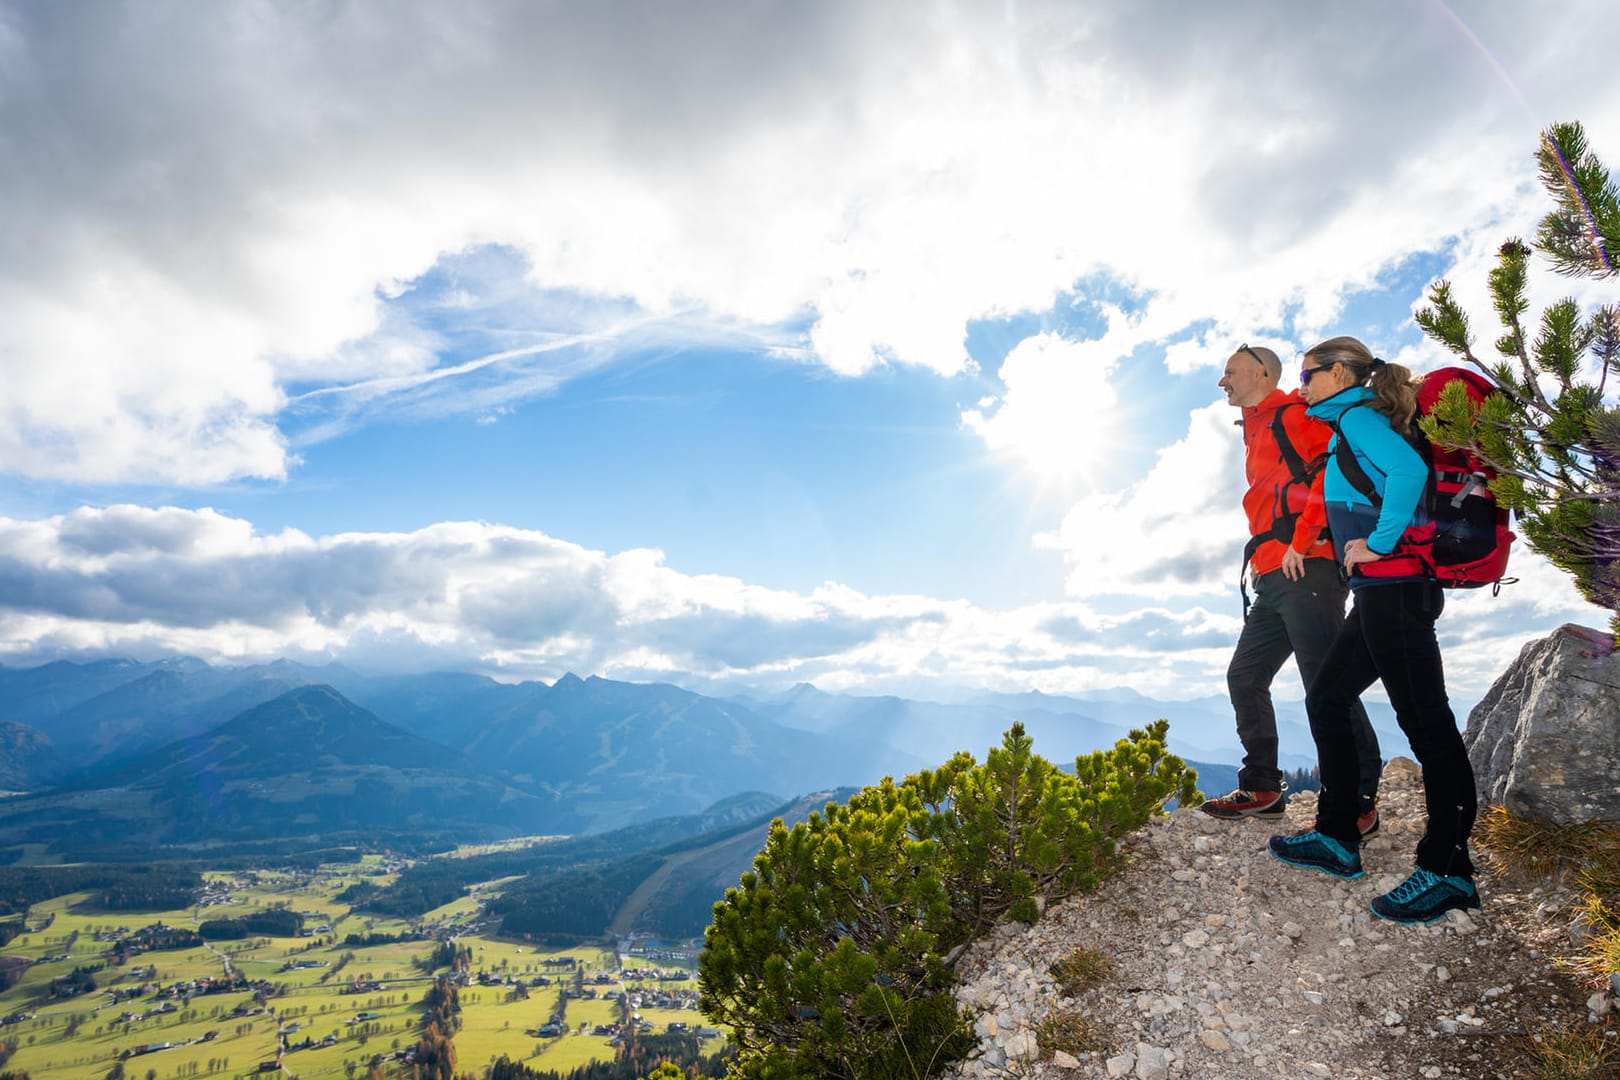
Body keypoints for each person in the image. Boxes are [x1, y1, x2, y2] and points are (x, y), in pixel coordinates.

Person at [1268, 336, 1481, 924]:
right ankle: (1338, 836)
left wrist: (1378, 544)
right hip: (1380, 595)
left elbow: (1409, 472)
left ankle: (1448, 870)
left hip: (1396, 591)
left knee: (1427, 724)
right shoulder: (1353, 424)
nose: (1303, 383)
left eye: (1309, 373)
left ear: (1339, 373)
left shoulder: (1360, 419)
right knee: (1328, 696)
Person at [1203, 343, 1381, 835]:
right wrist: (1267, 561)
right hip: (1275, 575)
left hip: (1309, 569)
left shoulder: (1294, 414)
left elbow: (1329, 474)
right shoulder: (1257, 426)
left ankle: (1361, 798)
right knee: (1245, 675)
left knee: (1327, 683)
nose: (1223, 382)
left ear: (1262, 372)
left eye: (1230, 372)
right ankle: (1262, 789)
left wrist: (1301, 543)